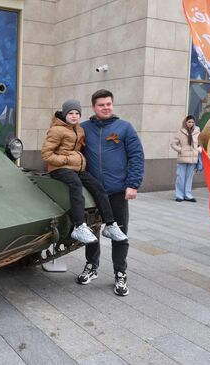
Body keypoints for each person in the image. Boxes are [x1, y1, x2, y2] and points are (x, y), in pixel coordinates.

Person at [79, 90, 144, 296]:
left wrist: (133, 184)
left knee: (119, 233)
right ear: (93, 107)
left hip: (117, 191)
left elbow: (136, 156)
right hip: (92, 193)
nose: (106, 107)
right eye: (101, 105)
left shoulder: (124, 128)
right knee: (92, 232)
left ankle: (120, 273)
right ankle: (92, 266)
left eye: (109, 104)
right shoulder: (83, 129)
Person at [41, 99, 129, 247]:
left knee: (98, 187)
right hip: (59, 169)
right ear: (64, 114)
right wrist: (66, 160)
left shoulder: (79, 129)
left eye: (77, 113)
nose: (74, 116)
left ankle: (110, 224)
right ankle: (79, 226)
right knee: (76, 186)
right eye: (71, 113)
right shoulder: (56, 130)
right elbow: (46, 154)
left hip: (76, 168)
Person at [170, 115, 201, 202]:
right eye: (189, 122)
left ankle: (188, 195)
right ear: (185, 122)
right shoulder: (180, 132)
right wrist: (181, 150)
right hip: (183, 158)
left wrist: (198, 150)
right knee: (180, 177)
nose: (190, 124)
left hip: (192, 158)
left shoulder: (197, 132)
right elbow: (173, 144)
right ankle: (179, 195)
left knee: (189, 178)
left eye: (192, 122)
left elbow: (201, 144)